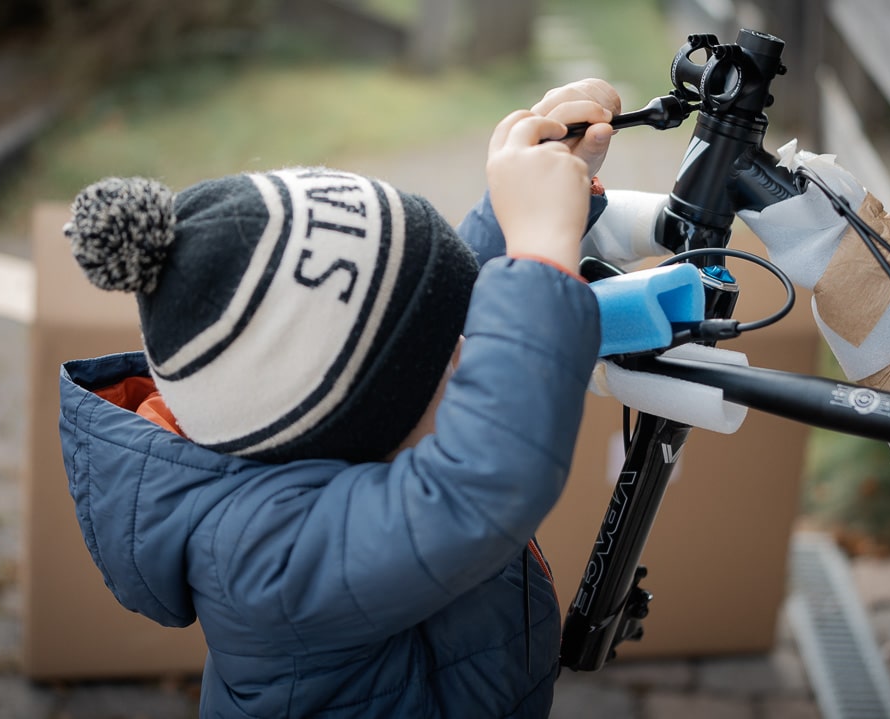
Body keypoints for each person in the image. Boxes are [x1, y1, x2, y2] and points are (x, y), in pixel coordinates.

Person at [58, 79, 620, 718]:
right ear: (350, 425)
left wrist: (521, 195)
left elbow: (422, 307)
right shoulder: (265, 558)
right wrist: (542, 252)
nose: (472, 347)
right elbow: (483, 482)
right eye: (449, 355)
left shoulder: (306, 428)